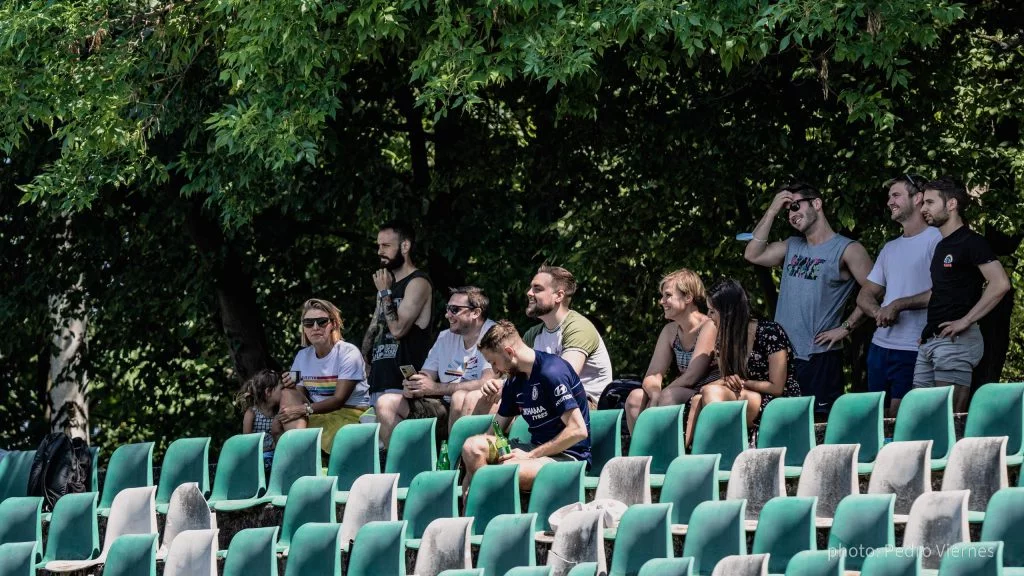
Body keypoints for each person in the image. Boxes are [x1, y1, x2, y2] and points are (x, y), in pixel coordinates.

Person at [744, 182, 874, 419]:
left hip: (819, 357)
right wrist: (772, 210)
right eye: (787, 211)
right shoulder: (792, 246)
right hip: (782, 358)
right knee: (783, 424)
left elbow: (876, 290)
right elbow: (753, 254)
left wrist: (846, 327)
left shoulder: (848, 249)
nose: (791, 215)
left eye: (795, 206)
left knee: (818, 426)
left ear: (817, 203)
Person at [898, 177, 1010, 412]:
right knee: (922, 415)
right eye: (923, 203)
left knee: (950, 417)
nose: (923, 208)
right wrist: (929, 331)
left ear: (951, 204)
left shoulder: (972, 242)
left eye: (930, 202)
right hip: (931, 342)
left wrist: (966, 321)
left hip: (956, 342)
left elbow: (1000, 283)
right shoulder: (941, 245)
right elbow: (941, 292)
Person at [461, 320, 591, 492]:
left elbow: (578, 431)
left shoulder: (552, 372)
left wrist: (530, 455)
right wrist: (469, 472)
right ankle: (475, 499)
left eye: (494, 362)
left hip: (567, 456)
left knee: (504, 471)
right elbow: (494, 431)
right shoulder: (515, 379)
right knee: (472, 447)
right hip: (534, 449)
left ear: (509, 352)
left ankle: (483, 501)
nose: (495, 370)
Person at [856, 175, 942, 416]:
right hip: (879, 347)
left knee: (900, 418)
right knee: (878, 418)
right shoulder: (890, 248)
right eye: (889, 197)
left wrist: (899, 305)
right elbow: (865, 295)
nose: (889, 202)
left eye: (896, 195)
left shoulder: (937, 239)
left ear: (917, 198)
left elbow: (943, 293)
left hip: (915, 347)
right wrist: (879, 312)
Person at [685, 279, 801, 446]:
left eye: (712, 311)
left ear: (728, 312)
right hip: (748, 395)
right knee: (698, 398)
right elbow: (727, 381)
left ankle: (724, 450)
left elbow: (777, 388)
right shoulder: (724, 340)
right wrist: (727, 380)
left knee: (712, 393)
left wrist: (743, 383)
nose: (709, 317)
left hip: (779, 400)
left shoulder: (770, 332)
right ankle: (687, 453)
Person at [376, 286, 496, 441]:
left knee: (459, 397)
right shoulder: (445, 337)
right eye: (447, 308)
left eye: (454, 310)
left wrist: (436, 388)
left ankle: (454, 455)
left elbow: (487, 382)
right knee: (385, 403)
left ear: (476, 313)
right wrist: (415, 385)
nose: (448, 315)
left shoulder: (493, 335)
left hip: (479, 410)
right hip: (444, 407)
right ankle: (404, 456)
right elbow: (427, 374)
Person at [361, 220, 434, 447]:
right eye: (378, 245)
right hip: (378, 379)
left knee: (399, 452)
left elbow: (398, 329)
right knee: (378, 453)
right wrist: (365, 359)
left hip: (402, 385)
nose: (379, 251)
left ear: (405, 246)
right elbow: (376, 325)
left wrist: (384, 293)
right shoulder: (387, 286)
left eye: (386, 245)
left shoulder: (418, 282)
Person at [623, 269, 719, 434]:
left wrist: (661, 395)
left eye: (668, 295)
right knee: (635, 398)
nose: (662, 301)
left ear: (688, 297)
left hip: (706, 391)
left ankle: (661, 446)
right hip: (682, 390)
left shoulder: (708, 325)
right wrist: (654, 394)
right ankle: (641, 448)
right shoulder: (670, 331)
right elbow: (653, 374)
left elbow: (692, 376)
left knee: (668, 396)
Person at [277, 298, 371, 453]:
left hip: (349, 414)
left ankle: (302, 453)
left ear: (333, 324)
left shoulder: (348, 353)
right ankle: (300, 454)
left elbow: (338, 401)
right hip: (316, 413)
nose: (315, 327)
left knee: (290, 424)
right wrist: (289, 386)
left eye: (321, 322)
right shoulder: (302, 356)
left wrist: (302, 410)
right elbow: (298, 396)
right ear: (303, 328)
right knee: (287, 393)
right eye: (308, 323)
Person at [520, 265, 614, 407]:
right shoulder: (533, 335)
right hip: (547, 401)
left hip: (585, 406)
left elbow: (562, 379)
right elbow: (514, 376)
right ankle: (497, 424)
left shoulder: (579, 327)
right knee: (497, 402)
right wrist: (499, 385)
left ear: (559, 296)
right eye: (531, 288)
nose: (529, 293)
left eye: (537, 289)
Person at [238, 369, 286, 473]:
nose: (284, 392)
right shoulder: (252, 413)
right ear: (268, 392)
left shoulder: (278, 412)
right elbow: (247, 443)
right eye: (281, 389)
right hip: (258, 457)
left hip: (276, 454)